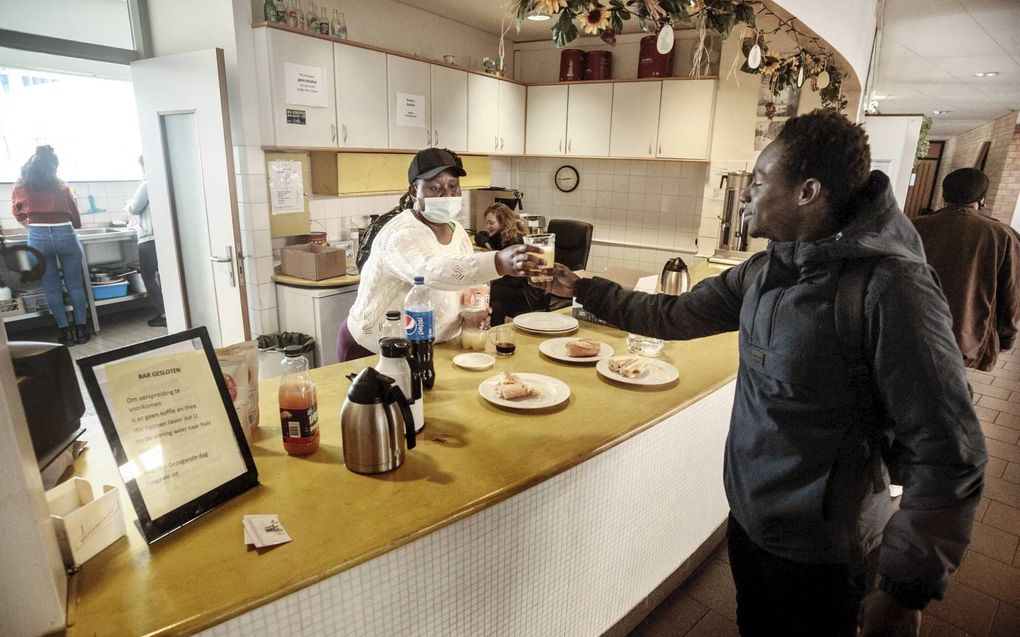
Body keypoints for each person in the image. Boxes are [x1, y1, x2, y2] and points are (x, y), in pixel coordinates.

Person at [539, 110, 986, 636]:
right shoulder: (766, 270)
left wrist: (903, 590)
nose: (747, 195)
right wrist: (584, 288)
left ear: (807, 191)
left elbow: (948, 449)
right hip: (753, 524)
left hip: (826, 552)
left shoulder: (891, 288)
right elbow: (674, 315)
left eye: (757, 182)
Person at [339, 148, 539, 360]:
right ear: (414, 191)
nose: (447, 195)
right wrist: (497, 262)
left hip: (429, 349)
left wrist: (469, 312)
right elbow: (432, 271)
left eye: (453, 186)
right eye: (435, 188)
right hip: (373, 347)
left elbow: (461, 281)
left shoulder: (457, 231)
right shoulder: (401, 234)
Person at [912, 168, 1019, 371]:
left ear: (944, 195)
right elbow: (1012, 291)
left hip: (912, 326)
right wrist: (1007, 335)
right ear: (982, 199)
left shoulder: (913, 227)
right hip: (967, 335)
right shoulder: (1002, 235)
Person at [11, 145, 90, 345]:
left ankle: (65, 333)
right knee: (74, 285)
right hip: (65, 234)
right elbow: (76, 220)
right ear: (53, 167)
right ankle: (81, 330)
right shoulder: (62, 186)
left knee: (51, 287)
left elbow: (18, 213)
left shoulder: (20, 187)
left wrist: (33, 227)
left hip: (38, 237)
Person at [473, 203, 548, 324]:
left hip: (525, 292)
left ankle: (493, 327)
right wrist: (488, 244)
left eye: (491, 223)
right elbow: (480, 236)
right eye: (486, 222)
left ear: (503, 222)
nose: (488, 226)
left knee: (489, 294)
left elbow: (514, 279)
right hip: (513, 287)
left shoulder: (514, 241)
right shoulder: (500, 236)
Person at [124, 156, 166, 327]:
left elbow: (135, 208)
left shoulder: (147, 184)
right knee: (166, 276)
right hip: (164, 236)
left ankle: (163, 314)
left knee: (148, 276)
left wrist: (127, 205)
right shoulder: (164, 180)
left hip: (149, 237)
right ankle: (172, 310)